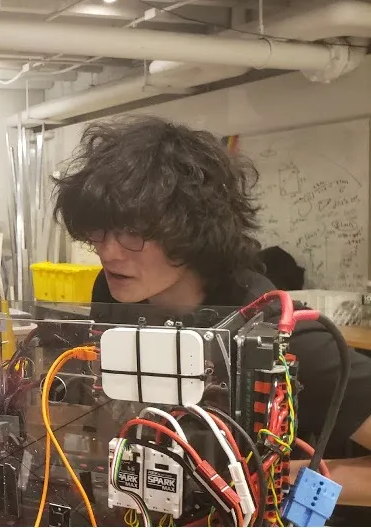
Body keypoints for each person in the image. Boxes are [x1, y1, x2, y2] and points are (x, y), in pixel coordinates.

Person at [52, 114, 371, 525]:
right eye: (98, 231)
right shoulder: (115, 295)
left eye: (132, 233)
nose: (108, 252)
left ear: (189, 229)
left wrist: (262, 484)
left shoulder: (282, 335)